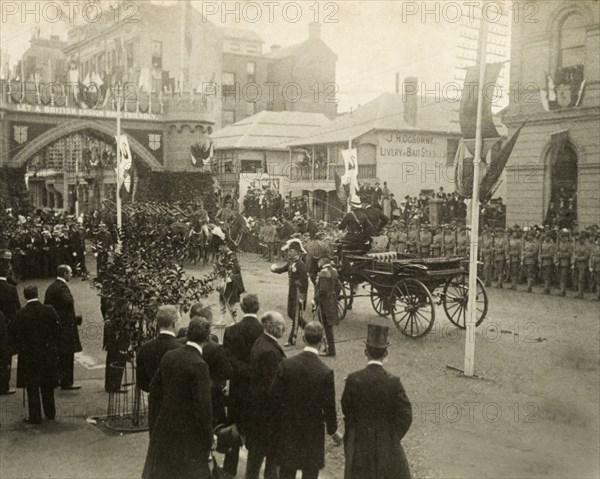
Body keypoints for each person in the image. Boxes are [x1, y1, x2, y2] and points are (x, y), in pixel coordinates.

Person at [142, 318, 213, 479]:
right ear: (207, 338)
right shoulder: (200, 365)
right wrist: (208, 437)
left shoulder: (170, 355)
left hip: (165, 429)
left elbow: (154, 387)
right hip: (188, 436)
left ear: (188, 333)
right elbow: (203, 408)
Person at [270, 321, 342, 479]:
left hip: (288, 428)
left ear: (303, 338)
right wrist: (332, 431)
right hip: (312, 433)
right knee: (310, 473)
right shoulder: (325, 372)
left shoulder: (287, 364)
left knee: (286, 473)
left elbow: (274, 396)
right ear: (322, 340)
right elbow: (329, 406)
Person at [341, 324, 413, 479]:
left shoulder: (353, 379)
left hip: (360, 447)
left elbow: (347, 410)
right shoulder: (394, 382)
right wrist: (391, 436)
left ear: (365, 352)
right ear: (386, 353)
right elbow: (406, 415)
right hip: (386, 448)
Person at [222, 294, 264, 477]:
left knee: (234, 428)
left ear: (242, 307)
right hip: (258, 390)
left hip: (238, 388)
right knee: (255, 432)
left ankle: (229, 469)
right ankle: (252, 473)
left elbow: (227, 360)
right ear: (258, 307)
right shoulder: (264, 330)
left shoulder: (231, 331)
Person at [246, 312, 287, 479]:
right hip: (268, 415)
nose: (283, 328)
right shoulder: (270, 351)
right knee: (272, 460)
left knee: (255, 458)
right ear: (270, 326)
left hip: (257, 412)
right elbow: (274, 386)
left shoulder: (260, 342)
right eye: (280, 325)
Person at [13, 285, 61, 424]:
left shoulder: (20, 314)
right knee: (47, 384)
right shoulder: (49, 310)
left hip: (29, 356)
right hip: (47, 353)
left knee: (32, 386)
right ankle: (50, 412)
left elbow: (15, 335)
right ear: (37, 294)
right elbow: (57, 330)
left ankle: (35, 416)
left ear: (25, 296)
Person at [43, 264, 82, 390]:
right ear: (64, 274)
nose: (71, 275)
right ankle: (67, 381)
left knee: (58, 355)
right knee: (67, 355)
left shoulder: (51, 287)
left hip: (54, 327)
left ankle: (56, 379)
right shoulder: (62, 288)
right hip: (65, 328)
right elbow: (67, 304)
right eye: (70, 273)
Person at [136, 305, 183, 393]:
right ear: (174, 323)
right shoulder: (181, 349)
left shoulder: (145, 348)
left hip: (154, 400)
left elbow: (141, 382)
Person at [274, 240, 308, 346]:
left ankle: (292, 339)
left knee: (296, 316)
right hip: (291, 292)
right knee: (290, 313)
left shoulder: (301, 264)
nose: (289, 253)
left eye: (291, 251)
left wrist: (303, 295)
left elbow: (305, 282)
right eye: (288, 251)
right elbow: (283, 269)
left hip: (298, 293)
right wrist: (275, 269)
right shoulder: (291, 262)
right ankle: (309, 329)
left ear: (297, 252)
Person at [0, 264, 20, 395]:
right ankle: (3, 385)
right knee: (5, 357)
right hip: (5, 326)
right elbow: (16, 310)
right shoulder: (11, 289)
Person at [314, 256, 340, 357]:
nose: (318, 263)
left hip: (324, 303)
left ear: (323, 261)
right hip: (331, 302)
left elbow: (322, 290)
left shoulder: (323, 272)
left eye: (319, 261)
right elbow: (338, 287)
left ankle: (329, 350)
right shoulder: (334, 271)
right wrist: (333, 296)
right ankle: (330, 349)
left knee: (325, 326)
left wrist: (315, 300)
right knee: (328, 327)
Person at [218, 240, 245, 319]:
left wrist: (229, 275)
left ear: (225, 246)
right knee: (222, 299)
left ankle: (234, 320)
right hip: (225, 281)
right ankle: (221, 319)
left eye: (220, 247)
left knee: (231, 302)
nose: (219, 249)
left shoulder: (231, 254)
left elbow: (237, 268)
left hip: (232, 281)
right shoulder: (223, 255)